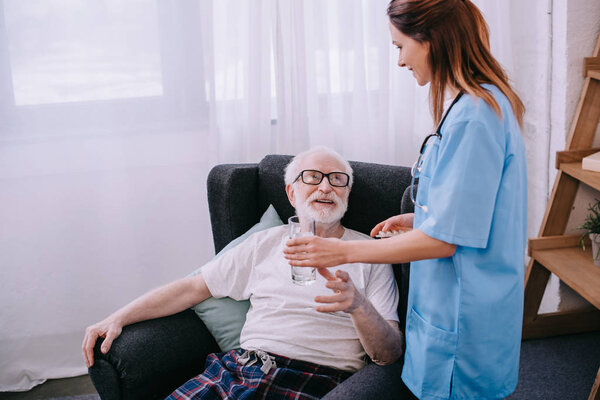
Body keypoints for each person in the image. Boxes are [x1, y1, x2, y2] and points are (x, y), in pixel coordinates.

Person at [284, 1, 527, 399]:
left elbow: (445, 241)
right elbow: (476, 210)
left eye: (400, 46)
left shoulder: (474, 118)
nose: (399, 61)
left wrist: (340, 252)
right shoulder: (477, 106)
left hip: (462, 319)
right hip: (455, 306)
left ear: (430, 40)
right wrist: (422, 218)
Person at [82, 146, 403, 400]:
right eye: (313, 177)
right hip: (240, 369)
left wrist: (357, 305)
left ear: (346, 195)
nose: (325, 186)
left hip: (317, 379)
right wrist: (119, 317)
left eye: (337, 179)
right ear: (291, 193)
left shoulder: (371, 254)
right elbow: (192, 288)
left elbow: (388, 354)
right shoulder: (264, 244)